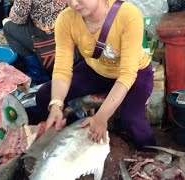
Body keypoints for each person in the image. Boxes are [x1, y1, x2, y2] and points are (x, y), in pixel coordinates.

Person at [34, 0, 156, 149]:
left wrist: (101, 117)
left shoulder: (128, 15)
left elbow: (127, 75)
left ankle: (150, 154)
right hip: (96, 69)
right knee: (44, 95)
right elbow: (62, 68)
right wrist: (56, 104)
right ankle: (72, 137)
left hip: (136, 73)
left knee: (132, 119)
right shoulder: (65, 19)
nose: (74, 3)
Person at [3, 0, 67, 84]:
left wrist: (10, 15)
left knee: (8, 27)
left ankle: (38, 75)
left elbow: (18, 18)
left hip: (47, 32)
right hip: (68, 25)